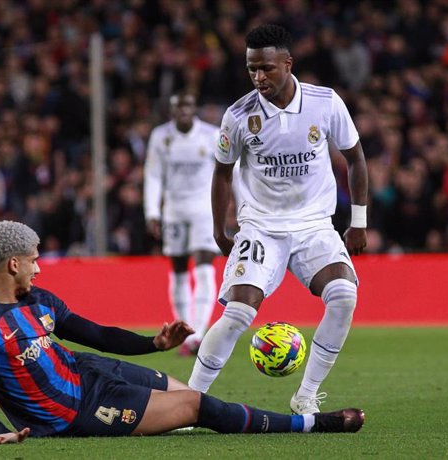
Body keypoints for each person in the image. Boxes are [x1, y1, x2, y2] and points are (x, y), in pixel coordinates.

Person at [0, 220, 365, 443]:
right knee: (196, 407)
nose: (38, 267)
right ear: (12, 265)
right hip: (76, 413)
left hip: (88, 370)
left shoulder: (36, 299)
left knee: (181, 393)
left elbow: (94, 333)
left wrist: (155, 343)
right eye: (32, 261)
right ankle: (312, 425)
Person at [187, 24, 369, 415]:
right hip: (261, 228)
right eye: (252, 69)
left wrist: (359, 221)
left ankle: (306, 394)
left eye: (267, 68)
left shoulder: (325, 102)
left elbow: (355, 158)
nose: (258, 77)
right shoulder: (239, 115)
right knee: (237, 313)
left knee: (344, 296)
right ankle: (190, 401)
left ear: (288, 64)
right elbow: (222, 172)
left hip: (314, 225)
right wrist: (220, 228)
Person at [143, 92, 221, 355]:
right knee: (178, 269)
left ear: (194, 108)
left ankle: (199, 333)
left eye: (188, 105)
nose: (184, 110)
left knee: (203, 266)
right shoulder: (160, 136)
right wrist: (152, 211)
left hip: (204, 209)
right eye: (178, 107)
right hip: (174, 210)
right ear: (172, 111)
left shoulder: (211, 135)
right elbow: (153, 175)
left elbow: (228, 171)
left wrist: (236, 205)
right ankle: (185, 334)